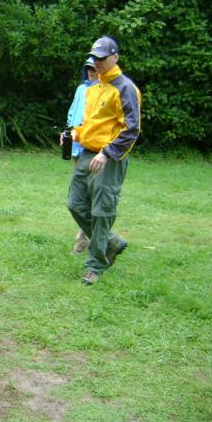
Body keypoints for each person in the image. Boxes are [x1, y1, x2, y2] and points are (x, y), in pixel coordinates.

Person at [67, 36, 141, 285]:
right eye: (94, 58)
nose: (97, 62)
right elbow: (90, 124)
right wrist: (75, 133)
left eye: (102, 58)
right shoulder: (94, 88)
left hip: (109, 158)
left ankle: (95, 266)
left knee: (101, 212)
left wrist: (107, 153)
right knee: (75, 203)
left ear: (115, 57)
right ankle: (110, 242)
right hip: (87, 153)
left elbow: (131, 129)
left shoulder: (125, 88)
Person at [63, 57, 98, 254]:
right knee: (78, 198)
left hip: (92, 150)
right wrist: (68, 132)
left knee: (90, 196)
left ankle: (84, 243)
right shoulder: (81, 89)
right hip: (76, 148)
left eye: (94, 68)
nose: (91, 72)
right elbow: (72, 114)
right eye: (88, 69)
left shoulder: (103, 92)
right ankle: (98, 240)